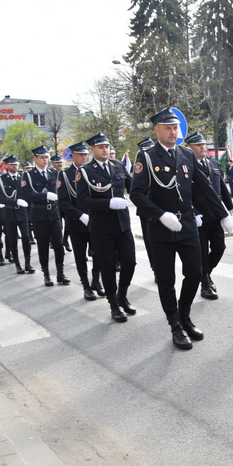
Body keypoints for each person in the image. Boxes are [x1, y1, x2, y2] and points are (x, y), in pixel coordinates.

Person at [129, 109, 233, 349]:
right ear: (156, 130)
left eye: (175, 128)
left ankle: (185, 315)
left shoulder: (186, 154)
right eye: (167, 128)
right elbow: (136, 193)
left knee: (195, 273)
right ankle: (175, 325)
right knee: (167, 280)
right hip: (162, 227)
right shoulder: (146, 157)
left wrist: (223, 214)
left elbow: (206, 187)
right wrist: (160, 214)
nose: (172, 132)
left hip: (186, 224)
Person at [76, 133, 136, 323]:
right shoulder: (85, 171)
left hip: (122, 224)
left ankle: (122, 295)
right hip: (101, 227)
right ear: (92, 150)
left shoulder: (118, 165)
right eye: (100, 147)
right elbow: (83, 200)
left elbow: (132, 186)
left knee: (130, 262)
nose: (105, 150)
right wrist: (108, 204)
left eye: (107, 146)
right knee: (108, 267)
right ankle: (113, 304)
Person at [186, 132, 233, 300]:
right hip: (199, 216)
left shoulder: (213, 164)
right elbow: (184, 194)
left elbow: (221, 186)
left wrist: (229, 207)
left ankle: (205, 274)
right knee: (201, 252)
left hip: (215, 214)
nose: (203, 147)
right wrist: (194, 212)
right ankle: (205, 284)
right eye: (198, 145)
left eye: (203, 145)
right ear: (190, 148)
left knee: (219, 248)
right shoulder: (187, 166)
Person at [58, 141, 104, 301]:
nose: (84, 157)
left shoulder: (92, 171)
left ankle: (96, 281)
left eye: (85, 154)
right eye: (80, 154)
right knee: (80, 255)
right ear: (72, 156)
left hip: (95, 220)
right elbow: (63, 201)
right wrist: (80, 215)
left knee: (98, 253)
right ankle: (86, 286)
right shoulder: (64, 175)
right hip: (76, 222)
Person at [21, 146, 70, 286]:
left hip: (54, 213)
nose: (45, 160)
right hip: (38, 214)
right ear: (35, 159)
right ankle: (47, 274)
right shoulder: (28, 175)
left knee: (58, 244)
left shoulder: (55, 173)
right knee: (43, 246)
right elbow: (25, 195)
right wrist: (44, 195)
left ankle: (60, 273)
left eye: (46, 157)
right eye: (42, 157)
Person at [0, 156, 33, 274]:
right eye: (12, 164)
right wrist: (15, 201)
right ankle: (17, 264)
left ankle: (27, 262)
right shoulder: (1, 179)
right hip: (9, 212)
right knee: (12, 239)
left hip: (22, 212)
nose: (14, 166)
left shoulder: (23, 178)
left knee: (26, 237)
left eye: (16, 164)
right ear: (7, 166)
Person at [134, 137, 157, 280]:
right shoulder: (140, 164)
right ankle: (154, 267)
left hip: (159, 207)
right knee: (149, 240)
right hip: (145, 210)